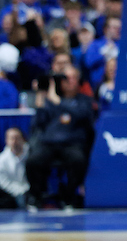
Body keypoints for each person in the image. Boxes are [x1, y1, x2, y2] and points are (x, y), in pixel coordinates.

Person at [24, 66, 95, 210]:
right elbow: (38, 124)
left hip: (72, 143)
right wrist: (40, 102)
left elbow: (82, 116)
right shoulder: (50, 100)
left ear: (79, 80)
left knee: (78, 160)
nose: (69, 81)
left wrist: (58, 102)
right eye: (66, 78)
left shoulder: (84, 100)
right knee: (32, 161)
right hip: (48, 143)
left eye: (73, 78)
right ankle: (36, 196)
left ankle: (69, 197)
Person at [0, 126, 28, 208]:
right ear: (6, 141)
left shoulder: (32, 155)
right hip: (9, 195)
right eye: (11, 138)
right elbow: (4, 182)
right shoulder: (1, 160)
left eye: (17, 138)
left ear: (23, 139)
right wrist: (19, 192)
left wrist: (26, 191)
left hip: (30, 192)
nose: (15, 141)